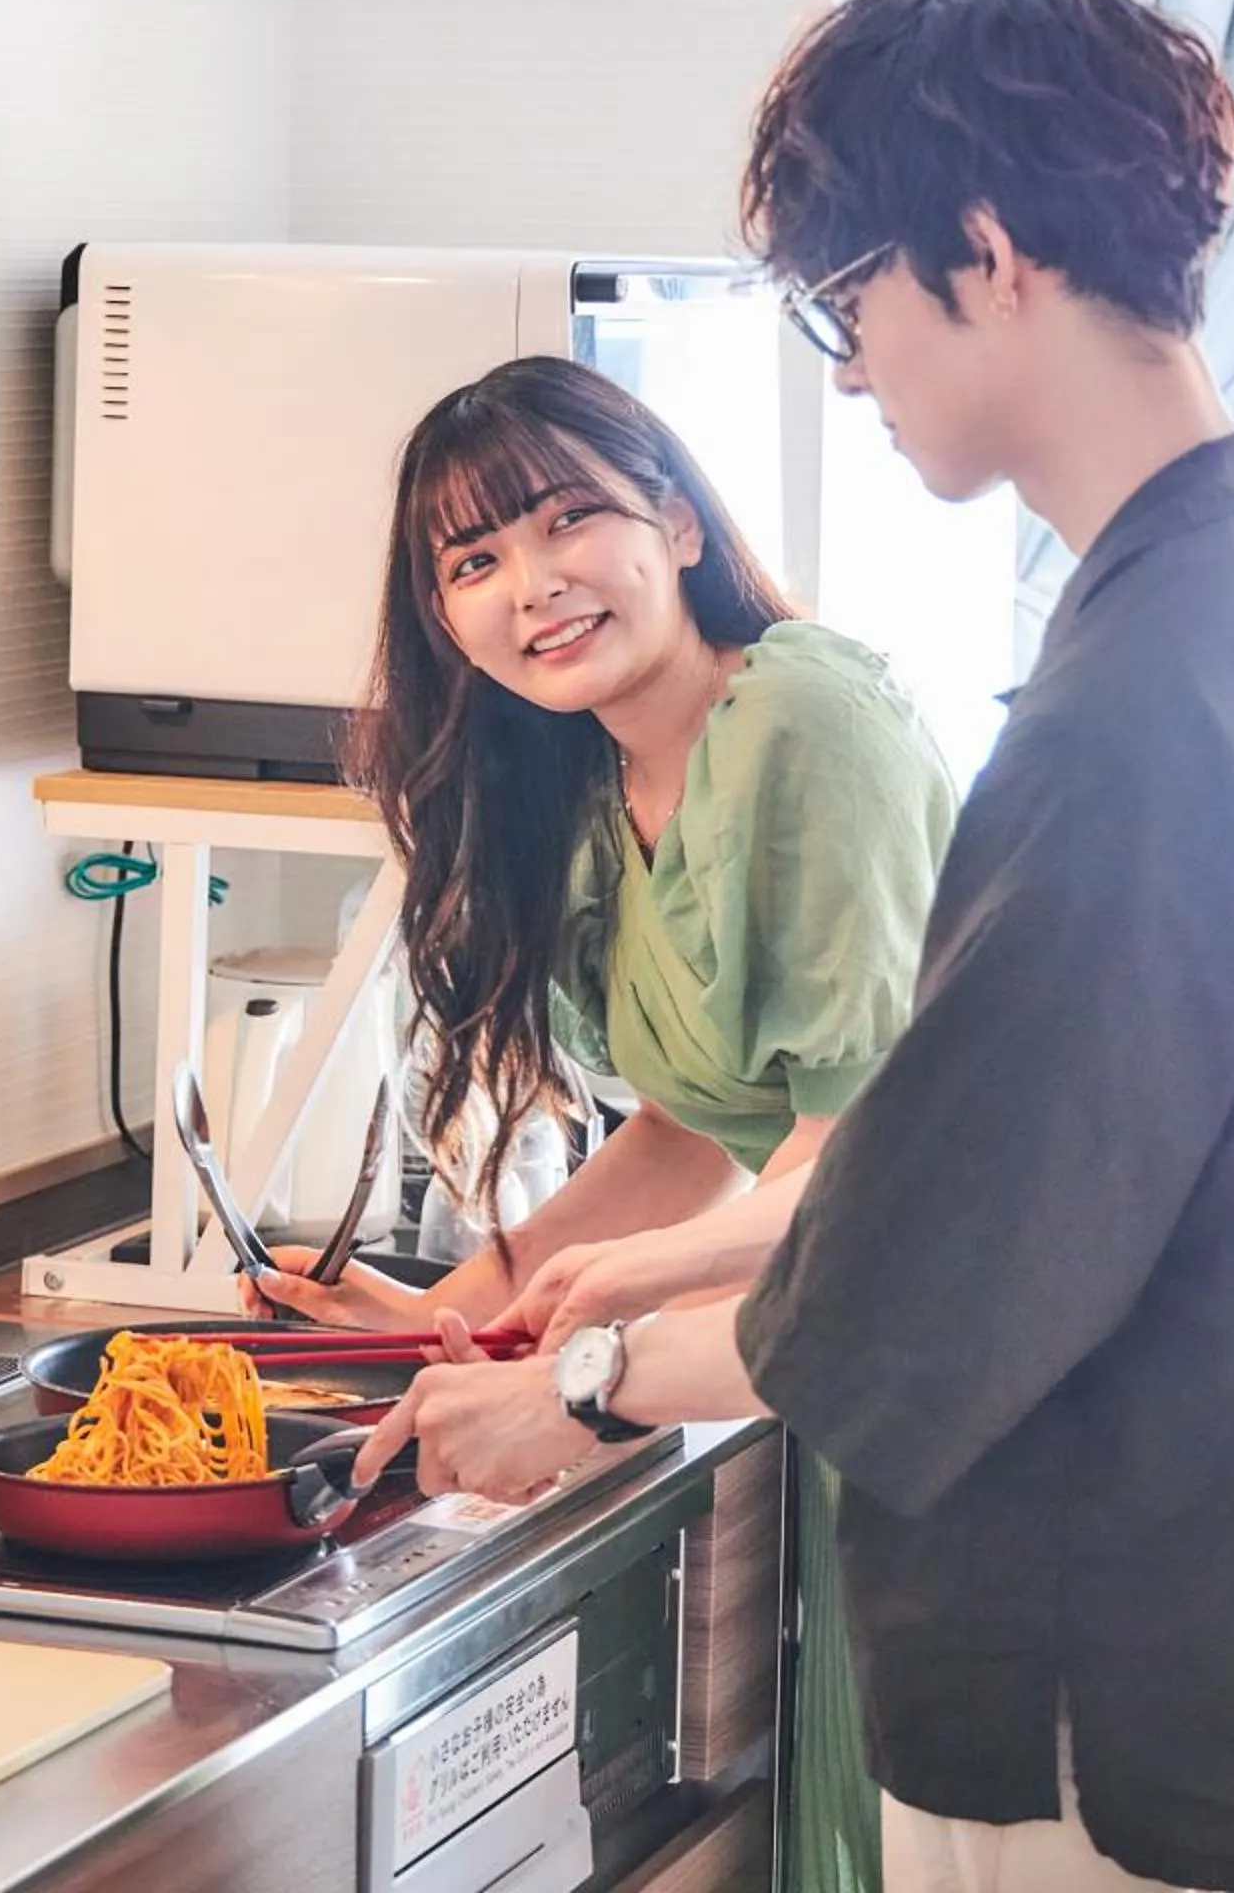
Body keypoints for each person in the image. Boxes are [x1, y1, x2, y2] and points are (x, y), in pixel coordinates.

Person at [356, 0, 1234, 1893]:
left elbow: (949, 1257)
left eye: (852, 297)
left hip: (1125, 1673)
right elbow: (1031, 1159)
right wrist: (595, 1288)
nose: (848, 364)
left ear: (985, 250)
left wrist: (574, 1388)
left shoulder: (1139, 697)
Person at [244, 355, 956, 1893]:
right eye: (477, 560)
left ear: (681, 525)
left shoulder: (802, 727)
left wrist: (582, 1345)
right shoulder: (594, 781)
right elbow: (692, 1132)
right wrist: (453, 1316)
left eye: (572, 521)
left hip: (943, 1388)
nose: (535, 585)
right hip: (830, 1363)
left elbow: (868, 1153)